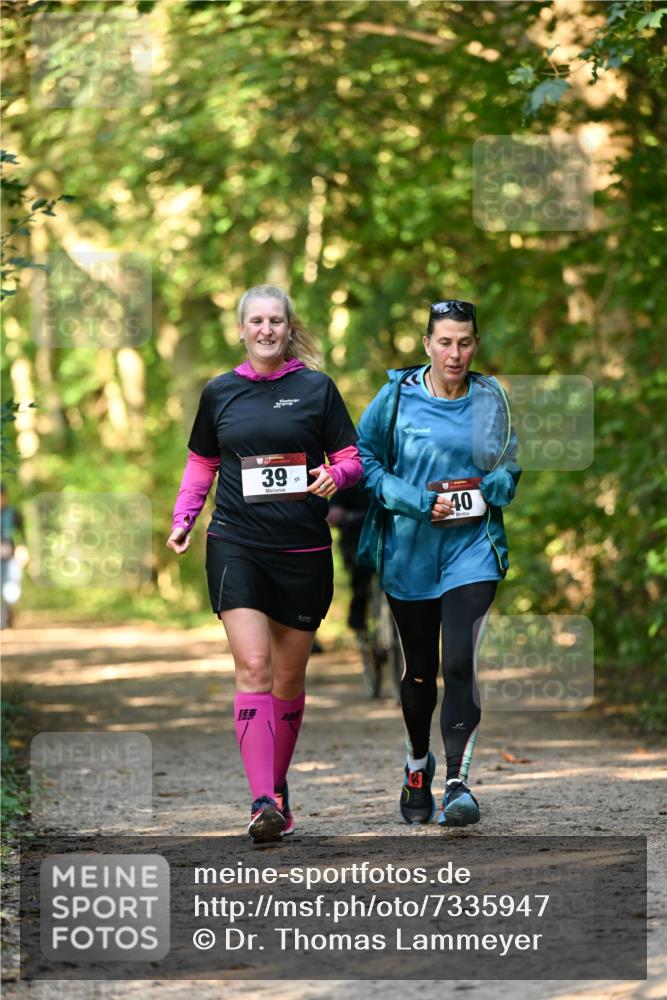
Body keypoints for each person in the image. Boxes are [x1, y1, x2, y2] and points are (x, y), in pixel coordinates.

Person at [167, 285, 361, 843]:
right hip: (236, 543)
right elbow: (202, 462)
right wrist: (184, 518)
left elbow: (350, 459)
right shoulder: (220, 392)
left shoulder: (316, 389)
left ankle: (276, 788)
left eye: (276, 320)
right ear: (242, 328)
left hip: (301, 549)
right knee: (252, 667)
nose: (266, 329)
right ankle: (260, 801)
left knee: (288, 677)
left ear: (288, 326)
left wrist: (337, 476)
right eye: (256, 320)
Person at [356, 299, 520, 827]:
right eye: (445, 342)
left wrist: (489, 485)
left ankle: (457, 784)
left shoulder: (490, 398)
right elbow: (365, 460)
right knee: (421, 672)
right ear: (427, 344)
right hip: (410, 553)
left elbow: (507, 468)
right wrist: (414, 500)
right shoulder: (396, 399)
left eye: (465, 342)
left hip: (473, 550)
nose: (455, 353)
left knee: (458, 665)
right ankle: (416, 767)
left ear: (476, 344)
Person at [1, 483, 27, 630]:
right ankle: (2, 621)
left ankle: (7, 615)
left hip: (10, 558)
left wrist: (23, 548)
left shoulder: (13, 513)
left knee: (11, 591)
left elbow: (21, 534)